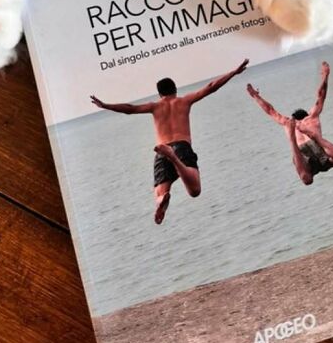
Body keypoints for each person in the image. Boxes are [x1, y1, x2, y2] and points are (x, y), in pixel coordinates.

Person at [91, 59, 249, 223]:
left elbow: (130, 109)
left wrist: (106, 105)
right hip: (181, 147)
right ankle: (174, 159)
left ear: (160, 94)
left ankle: (161, 199)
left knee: (159, 193)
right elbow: (211, 87)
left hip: (162, 150)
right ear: (175, 89)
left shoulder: (154, 106)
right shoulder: (184, 101)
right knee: (195, 191)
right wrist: (233, 73)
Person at [246, 61, 333, 186]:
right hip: (304, 156)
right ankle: (295, 140)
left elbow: (270, 111)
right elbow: (321, 96)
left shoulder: (298, 120)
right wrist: (325, 76)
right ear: (305, 114)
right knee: (308, 179)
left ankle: (305, 138)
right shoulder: (306, 119)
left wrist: (325, 76)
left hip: (320, 149)